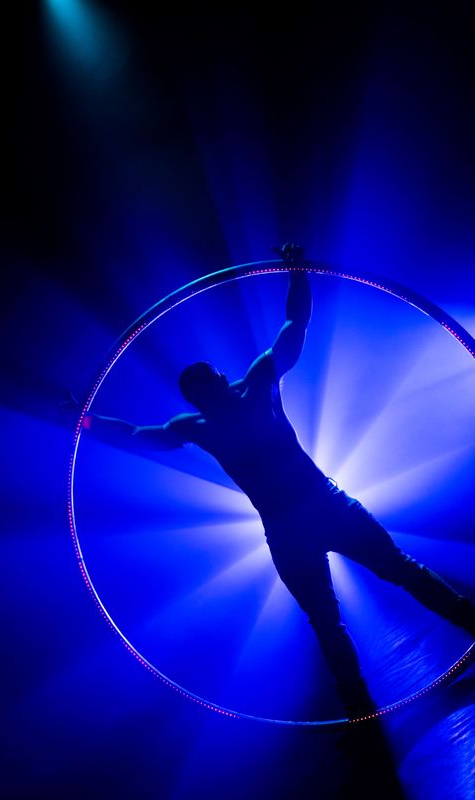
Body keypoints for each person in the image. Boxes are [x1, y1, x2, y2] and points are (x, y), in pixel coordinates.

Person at [76, 243, 475, 718]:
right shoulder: (197, 425)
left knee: (398, 572)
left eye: (214, 377)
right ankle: (360, 713)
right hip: (288, 532)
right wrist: (86, 421)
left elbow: (294, 328)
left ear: (220, 380)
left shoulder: (257, 384)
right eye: (207, 384)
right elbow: (139, 435)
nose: (217, 383)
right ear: (202, 395)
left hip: (325, 505)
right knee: (329, 622)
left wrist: (297, 273)